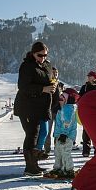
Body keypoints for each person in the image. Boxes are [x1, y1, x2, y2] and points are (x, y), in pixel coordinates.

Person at [13, 41, 56, 175]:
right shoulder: (27, 66)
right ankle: (30, 167)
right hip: (27, 106)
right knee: (32, 134)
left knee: (40, 133)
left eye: (45, 55)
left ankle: (34, 164)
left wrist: (53, 87)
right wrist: (42, 89)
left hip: (42, 106)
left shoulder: (47, 65)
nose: (43, 57)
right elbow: (23, 86)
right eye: (40, 55)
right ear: (33, 53)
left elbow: (50, 80)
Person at [46, 88, 79, 179]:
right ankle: (58, 168)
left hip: (66, 136)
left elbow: (67, 123)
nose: (60, 100)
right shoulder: (62, 108)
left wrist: (64, 134)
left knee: (65, 152)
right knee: (58, 152)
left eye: (62, 98)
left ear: (68, 99)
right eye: (60, 98)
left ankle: (69, 169)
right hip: (59, 135)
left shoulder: (68, 109)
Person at [78, 70, 96, 157]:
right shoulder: (84, 87)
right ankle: (85, 151)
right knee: (86, 132)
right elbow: (79, 98)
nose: (88, 77)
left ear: (95, 77)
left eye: (90, 76)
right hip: (86, 112)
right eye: (88, 76)